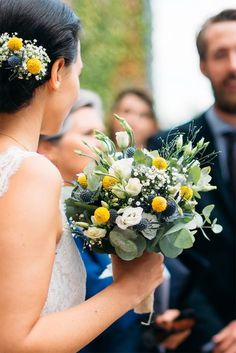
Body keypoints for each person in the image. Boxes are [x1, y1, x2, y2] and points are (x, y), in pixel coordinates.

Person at [0, 1, 164, 352]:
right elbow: (13, 342)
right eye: (79, 72)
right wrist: (131, 288)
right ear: (58, 72)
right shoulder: (30, 172)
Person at [39, 90, 190, 353]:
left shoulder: (111, 214)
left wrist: (158, 329)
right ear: (48, 148)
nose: (101, 144)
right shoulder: (45, 223)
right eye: (88, 134)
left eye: (101, 134)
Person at [148, 9, 236, 353]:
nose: (232, 65)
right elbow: (171, 254)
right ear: (203, 65)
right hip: (202, 340)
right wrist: (216, 336)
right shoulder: (168, 147)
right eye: (220, 54)